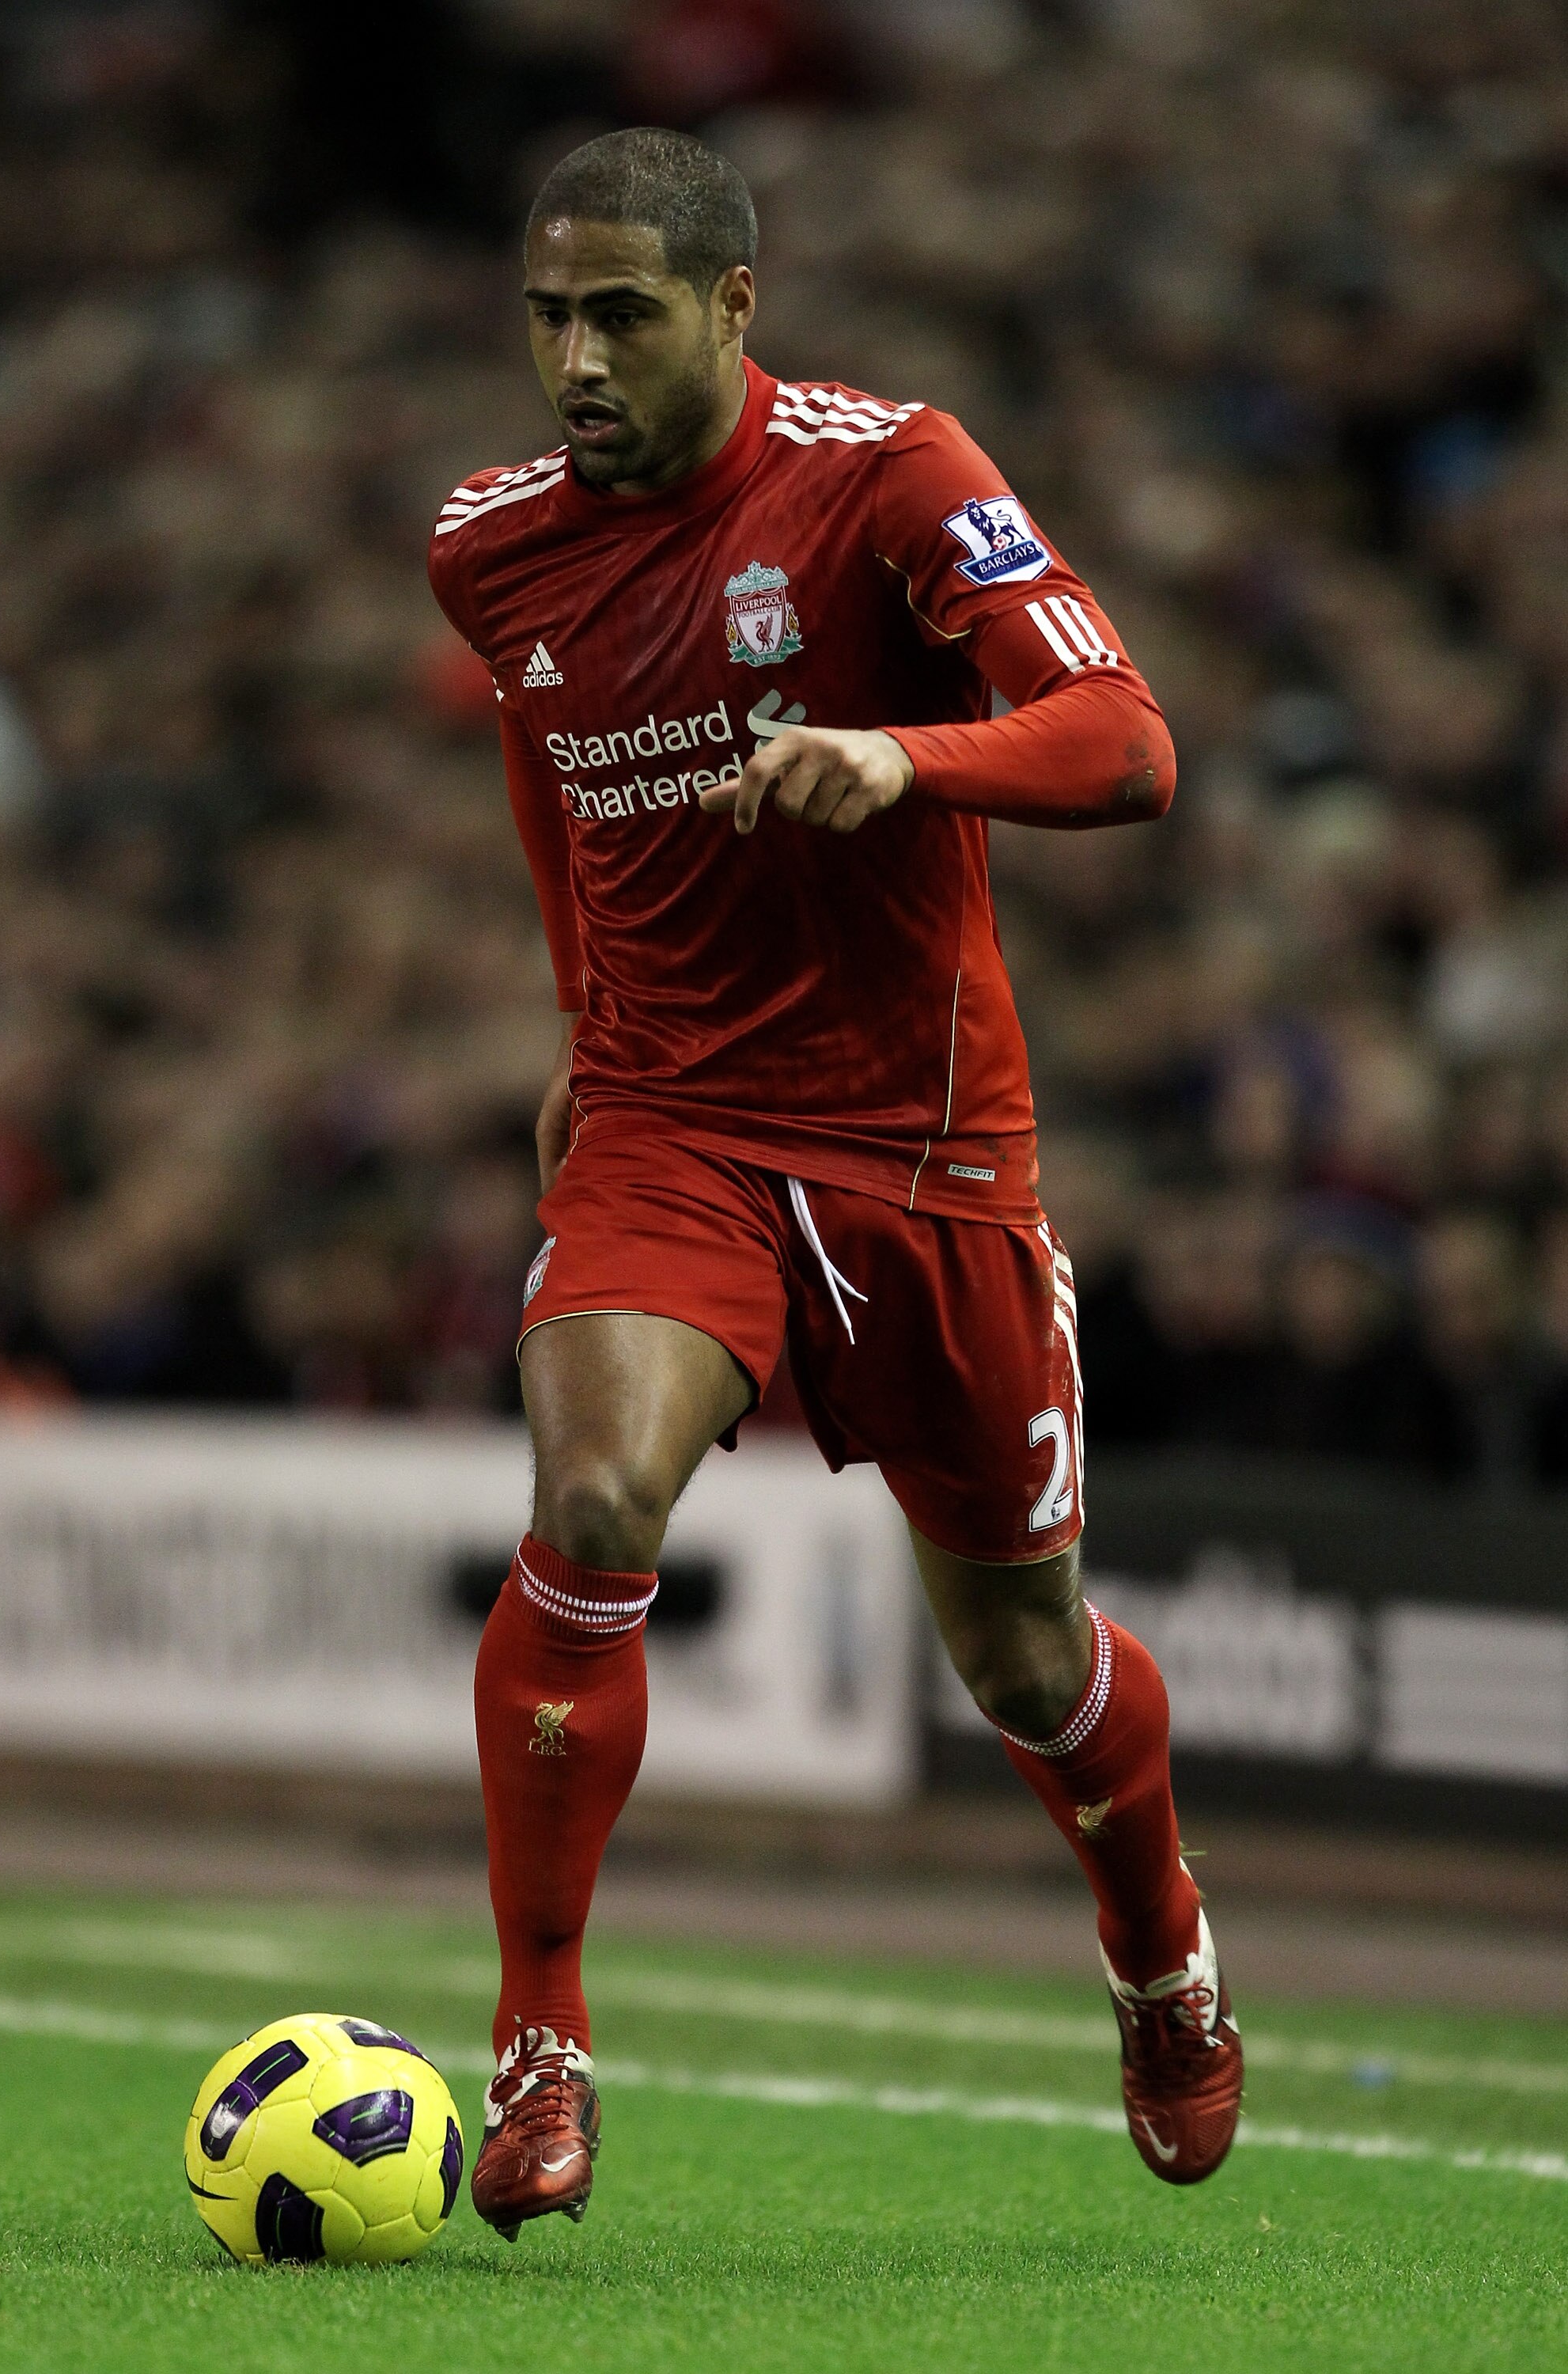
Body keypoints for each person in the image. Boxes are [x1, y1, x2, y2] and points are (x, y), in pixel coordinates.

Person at [428, 126, 1240, 2241]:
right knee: (593, 1505)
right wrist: (575, 1008)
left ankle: (1157, 1955)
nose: (575, 361)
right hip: (671, 1116)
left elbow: (1128, 738)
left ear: (729, 308)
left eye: (619, 314)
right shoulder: (489, 547)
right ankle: (538, 2042)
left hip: (926, 1141)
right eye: (547, 317)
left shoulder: (891, 475)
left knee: (1029, 1667)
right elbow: (548, 751)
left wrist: (911, 755)